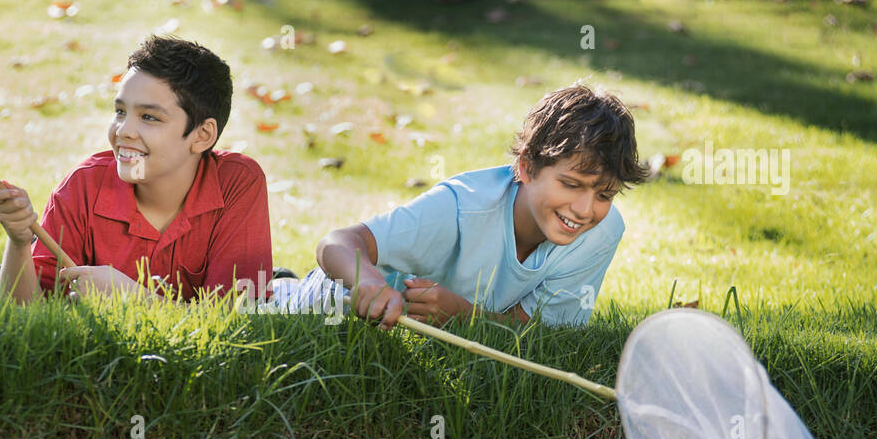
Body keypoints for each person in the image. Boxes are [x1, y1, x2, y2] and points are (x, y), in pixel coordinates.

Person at [275, 83, 648, 328]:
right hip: (333, 303)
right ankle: (278, 286)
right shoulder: (461, 208)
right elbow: (337, 243)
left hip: (420, 327)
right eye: (571, 184)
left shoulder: (601, 230)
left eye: (604, 193)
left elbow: (539, 332)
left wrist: (462, 314)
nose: (585, 209)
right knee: (264, 303)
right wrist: (370, 285)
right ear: (526, 167)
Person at [0, 35, 273, 304]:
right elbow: (25, 316)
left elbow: (237, 320)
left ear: (202, 135)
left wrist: (133, 299)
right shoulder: (81, 186)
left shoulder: (238, 183)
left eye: (149, 117)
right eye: (120, 112)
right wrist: (18, 243)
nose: (124, 131)